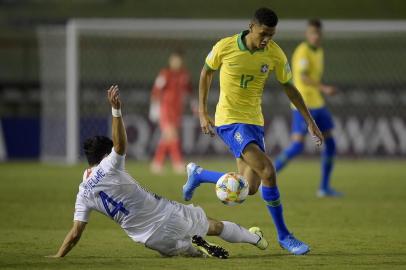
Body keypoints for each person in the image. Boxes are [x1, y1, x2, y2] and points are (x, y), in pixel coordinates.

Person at [46, 85, 268, 259]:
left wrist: (58, 255)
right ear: (106, 154)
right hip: (167, 214)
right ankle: (255, 238)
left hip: (149, 239)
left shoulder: (83, 193)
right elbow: (121, 145)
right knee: (215, 226)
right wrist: (116, 110)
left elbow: (75, 233)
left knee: (184, 252)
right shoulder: (109, 165)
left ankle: (196, 247)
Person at [182, 8, 324, 255]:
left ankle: (199, 174)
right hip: (229, 121)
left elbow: (289, 87)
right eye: (263, 33)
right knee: (268, 171)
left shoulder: (275, 54)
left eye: (271, 34)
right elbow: (206, 73)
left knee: (249, 187)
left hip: (254, 122)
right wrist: (202, 112)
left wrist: (309, 120)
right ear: (251, 27)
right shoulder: (225, 47)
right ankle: (285, 236)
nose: (267, 39)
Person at [273, 19, 342, 197]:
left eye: (318, 33)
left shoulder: (319, 51)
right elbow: (302, 78)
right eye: (312, 33)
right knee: (297, 146)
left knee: (331, 144)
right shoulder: (302, 51)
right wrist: (325, 88)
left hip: (318, 103)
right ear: (307, 34)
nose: (315, 36)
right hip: (303, 105)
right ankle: (267, 176)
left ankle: (324, 187)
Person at [150, 51, 194, 174]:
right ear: (170, 61)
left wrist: (193, 105)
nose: (177, 62)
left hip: (177, 110)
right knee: (172, 134)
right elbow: (156, 90)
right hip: (165, 108)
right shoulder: (165, 74)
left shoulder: (184, 75)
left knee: (167, 137)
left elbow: (190, 91)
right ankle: (177, 163)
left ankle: (157, 163)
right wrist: (154, 107)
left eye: (179, 60)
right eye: (174, 60)